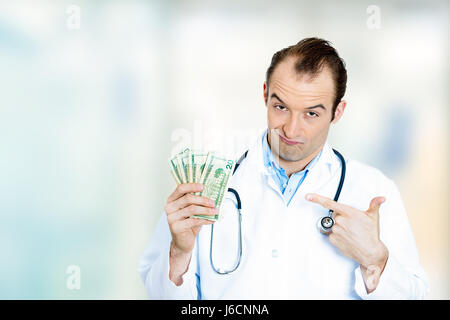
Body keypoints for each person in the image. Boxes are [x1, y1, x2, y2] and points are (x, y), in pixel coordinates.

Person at [138, 37, 429, 299]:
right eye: (281, 107)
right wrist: (179, 251)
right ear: (265, 94)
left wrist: (375, 260)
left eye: (311, 113)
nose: (291, 128)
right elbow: (160, 295)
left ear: (337, 112)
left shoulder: (372, 190)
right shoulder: (205, 184)